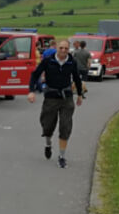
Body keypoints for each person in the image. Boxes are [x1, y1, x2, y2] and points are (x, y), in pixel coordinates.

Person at [27, 39, 84, 168]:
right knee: (47, 126)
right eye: (61, 48)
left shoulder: (71, 62)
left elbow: (76, 78)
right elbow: (35, 75)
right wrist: (31, 91)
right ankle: (48, 144)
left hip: (66, 98)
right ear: (56, 48)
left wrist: (80, 94)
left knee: (65, 126)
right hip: (51, 98)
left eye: (66, 48)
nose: (63, 51)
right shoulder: (48, 61)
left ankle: (62, 157)